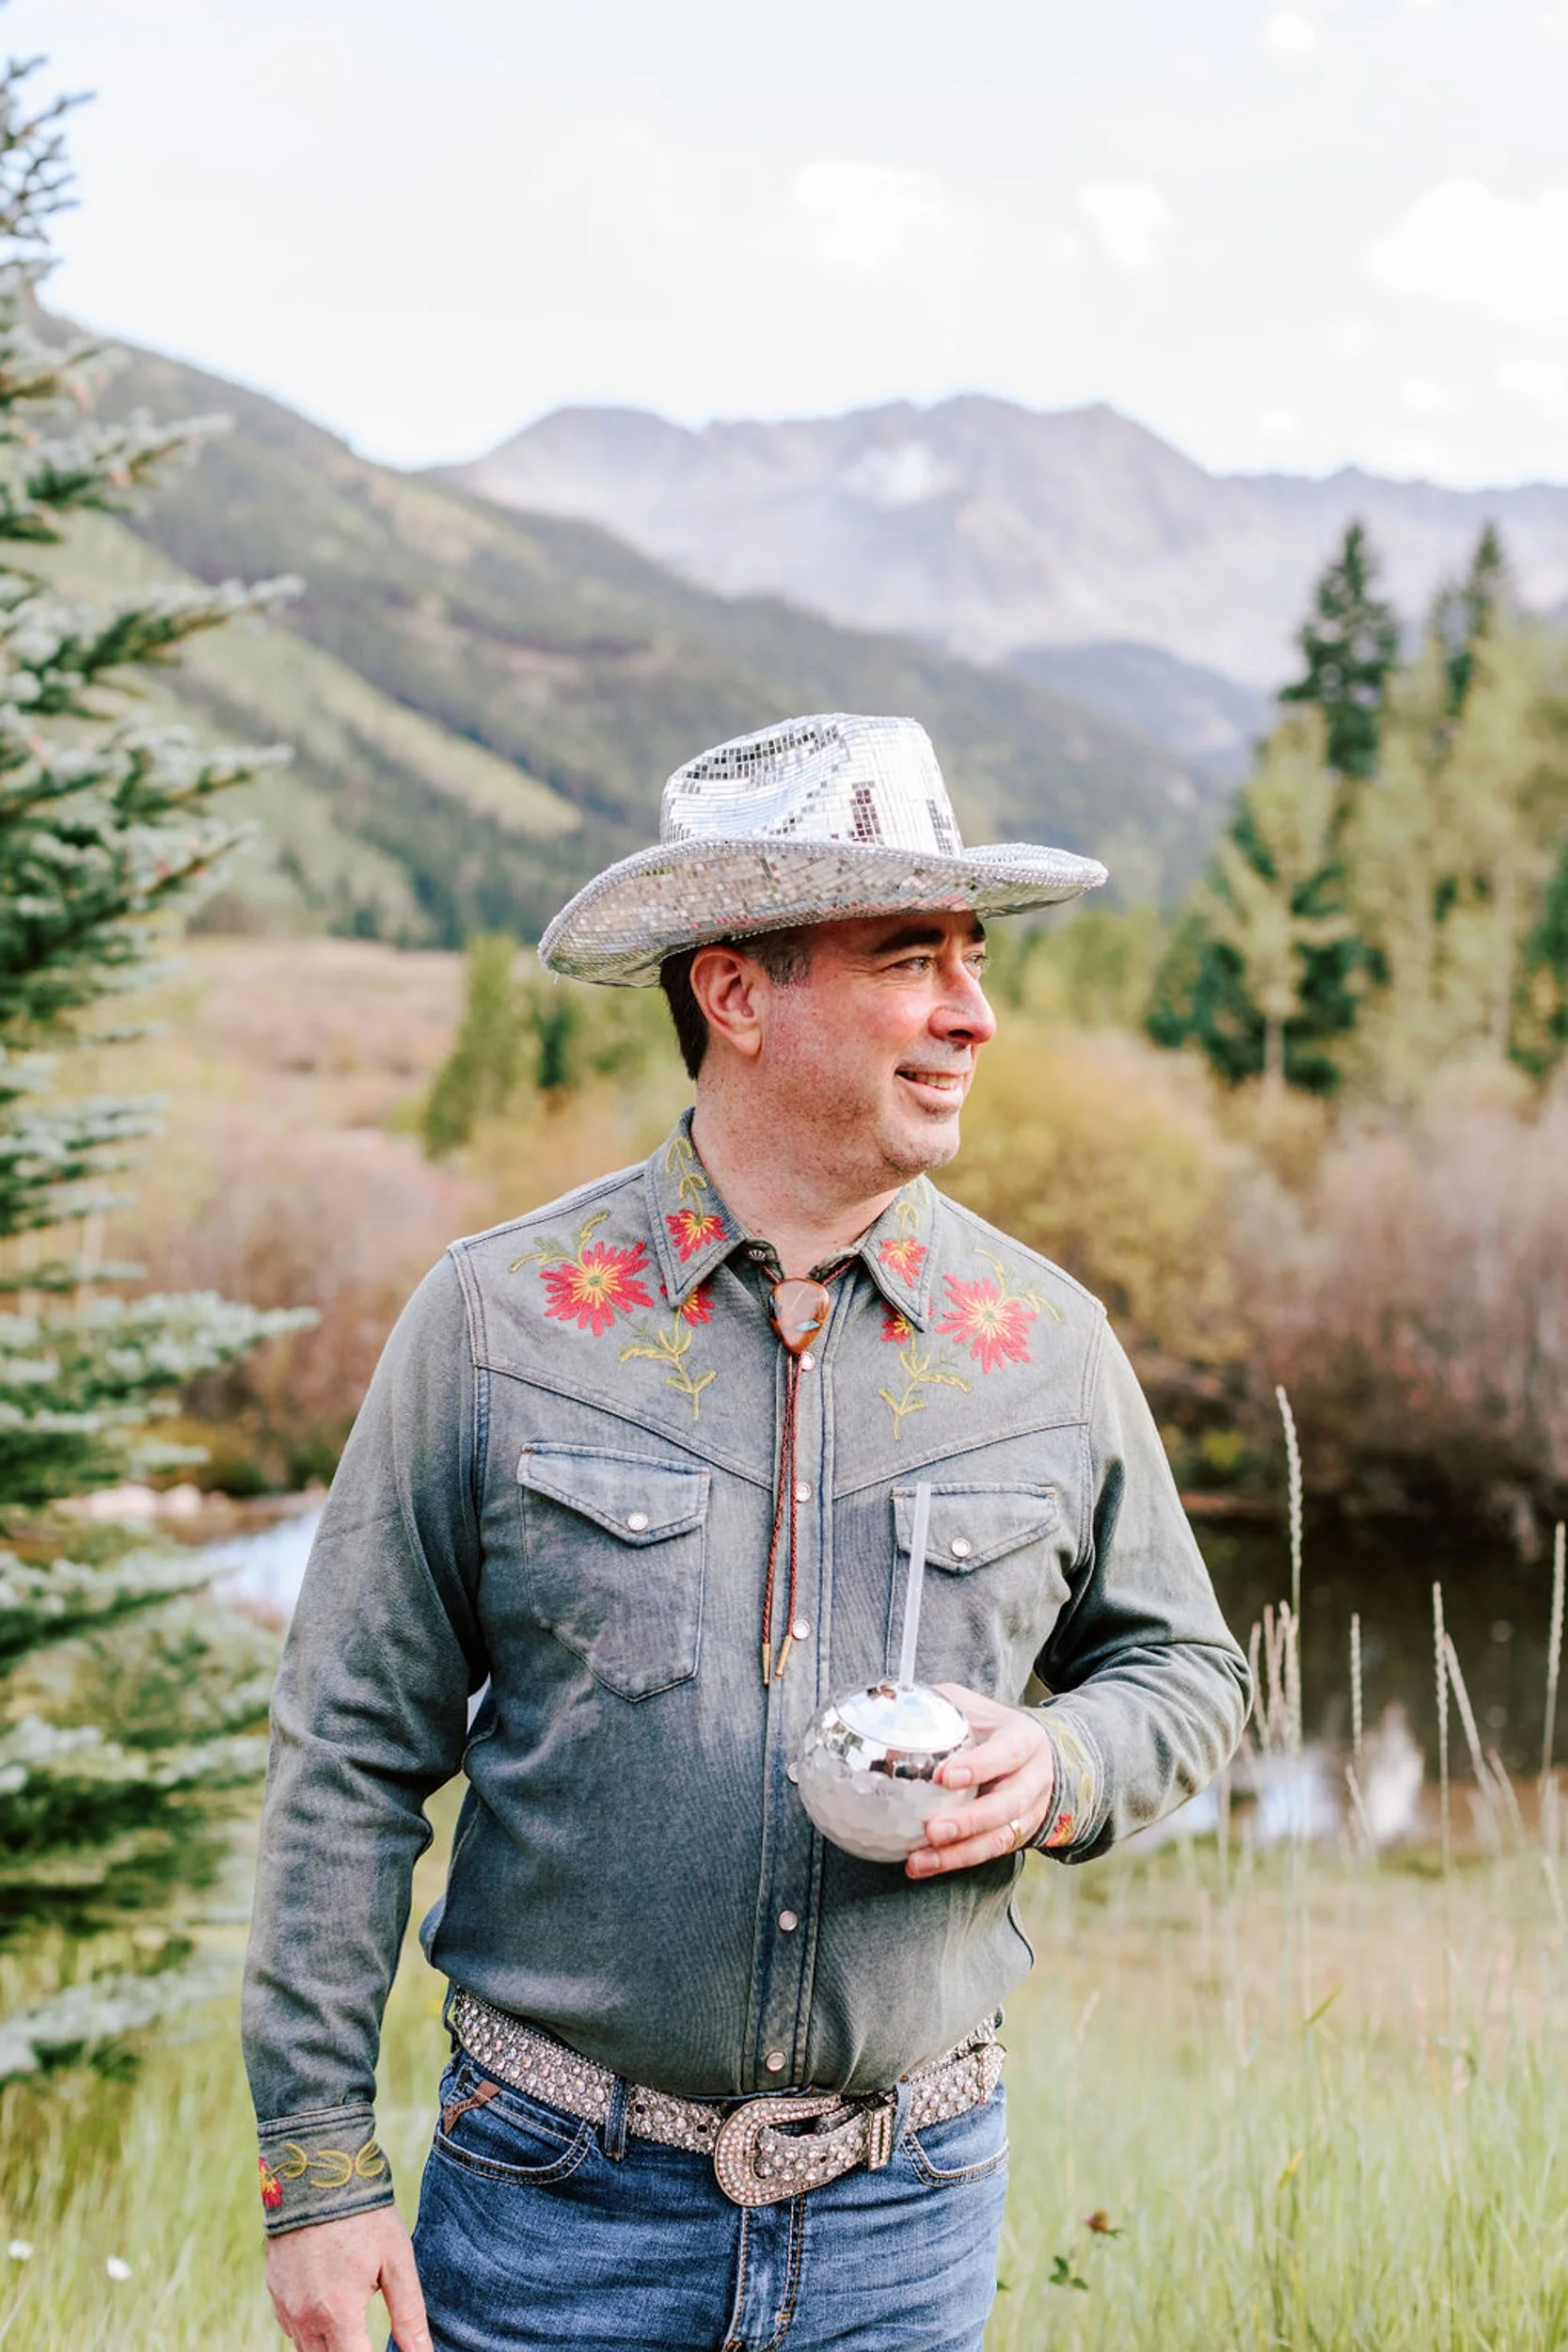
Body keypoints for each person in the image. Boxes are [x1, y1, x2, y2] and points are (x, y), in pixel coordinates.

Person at [245, 712, 1251, 2352]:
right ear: (734, 993)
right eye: (909, 957)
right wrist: (316, 2173)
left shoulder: (1046, 1344)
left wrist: (1060, 1769)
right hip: (546, 2207)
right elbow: (346, 1751)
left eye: (972, 958)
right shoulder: (494, 1325)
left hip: (906, 2216)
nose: (972, 1013)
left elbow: (1186, 1668)